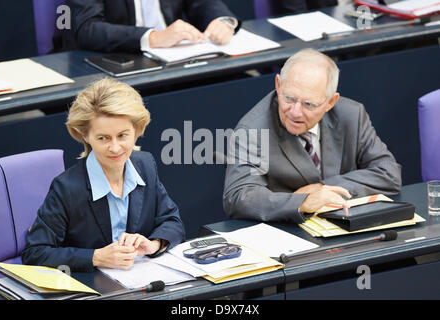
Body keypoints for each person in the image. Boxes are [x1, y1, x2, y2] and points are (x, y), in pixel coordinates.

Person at [22, 78, 185, 271]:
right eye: (103, 138)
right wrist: (95, 257)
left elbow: (172, 221)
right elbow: (35, 253)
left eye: (123, 135)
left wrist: (154, 244)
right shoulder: (66, 188)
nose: (115, 148)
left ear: (137, 129)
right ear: (85, 136)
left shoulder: (145, 164)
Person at [223, 48, 401, 223]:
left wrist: (323, 189)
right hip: (289, 230)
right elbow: (240, 196)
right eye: (289, 98)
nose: (295, 112)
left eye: (309, 104)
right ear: (278, 85)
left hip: (344, 223)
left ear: (331, 102)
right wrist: (303, 202)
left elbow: (388, 173)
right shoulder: (252, 130)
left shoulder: (352, 115)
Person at [65, 0, 241, 53]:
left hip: (175, 59)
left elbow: (202, 3)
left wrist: (223, 21)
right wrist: (153, 37)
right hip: (118, 59)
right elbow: (87, 28)